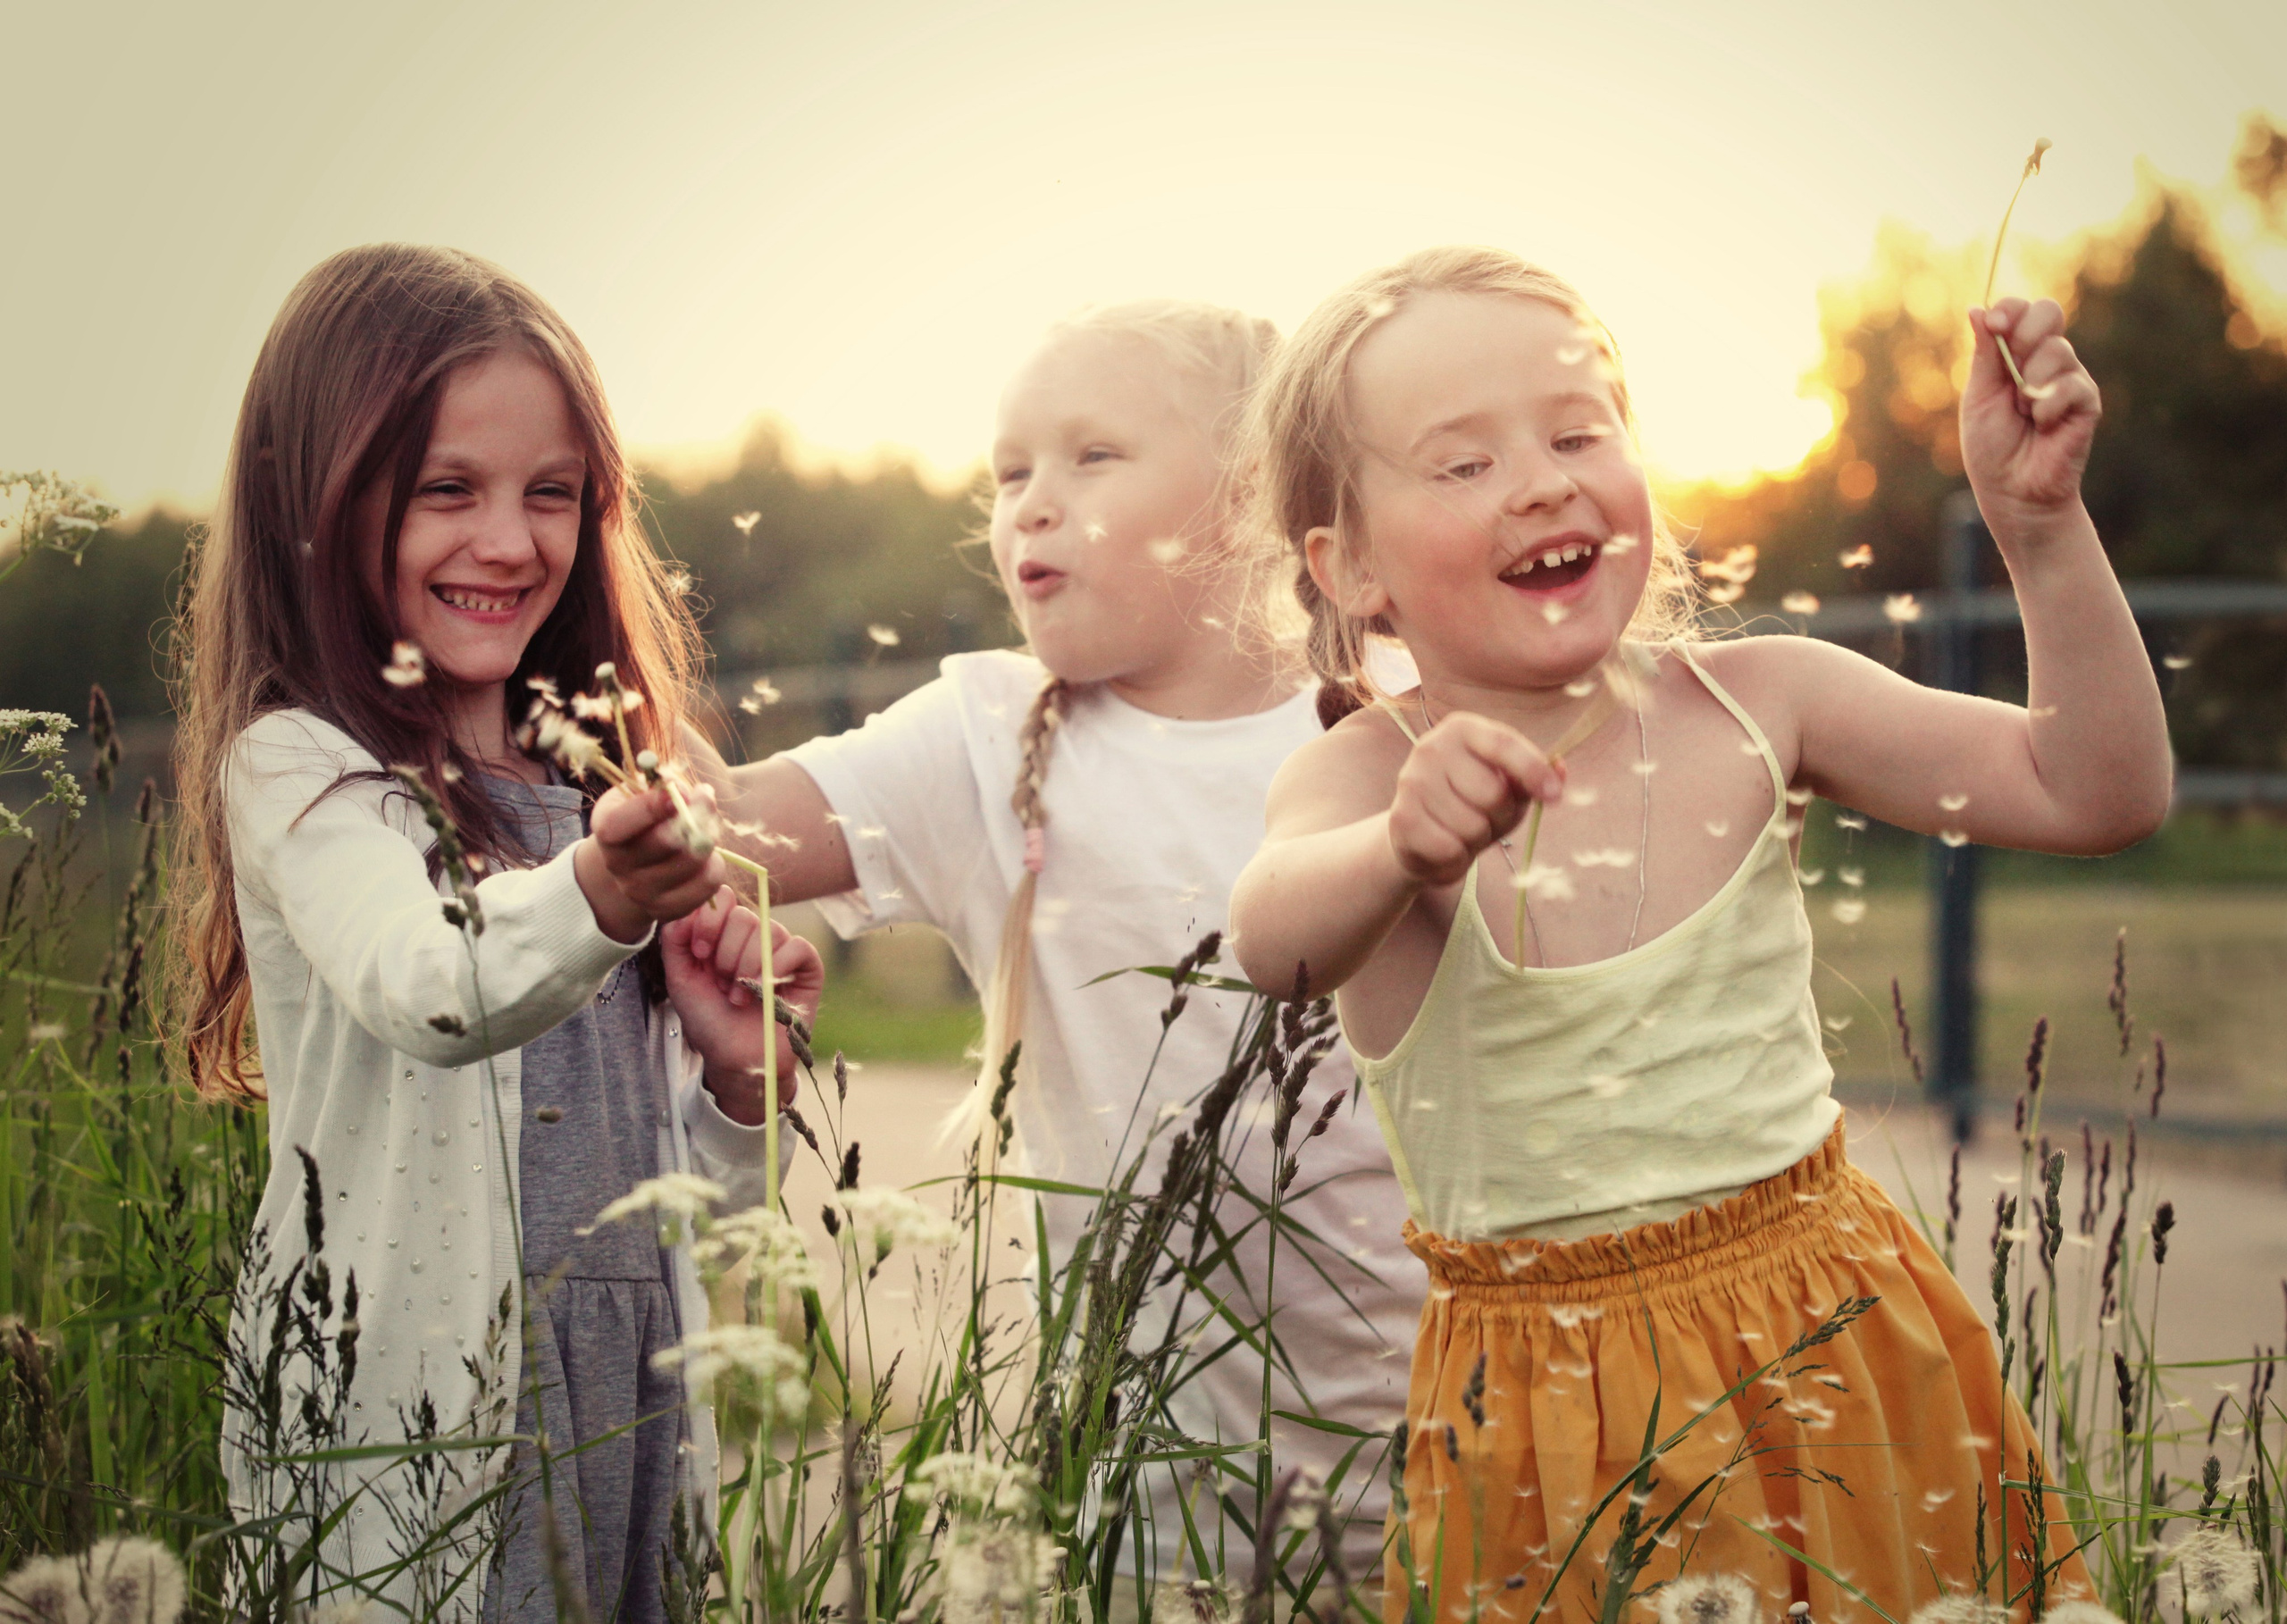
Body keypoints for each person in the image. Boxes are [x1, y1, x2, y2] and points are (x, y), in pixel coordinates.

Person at [1228, 246, 2169, 1619]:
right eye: (1464, 463)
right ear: (1350, 566)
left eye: (1576, 430)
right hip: (1558, 1424)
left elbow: (2097, 789)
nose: (1544, 480)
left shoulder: (1759, 703)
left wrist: (2040, 530)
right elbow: (1270, 940)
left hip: (1847, 1350)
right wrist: (1396, 848)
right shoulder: (1369, 780)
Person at [607, 301, 1423, 1570]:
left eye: (1093, 457)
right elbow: (721, 824)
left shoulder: (1405, 725)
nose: (1030, 503)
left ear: (1257, 490)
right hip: (1151, 1494)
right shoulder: (986, 738)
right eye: (1007, 474)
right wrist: (580, 649)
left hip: (1453, 1446)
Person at [166, 244, 820, 1621]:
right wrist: (598, 895)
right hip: (422, 1414)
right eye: (445, 490)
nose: (511, 540)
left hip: (628, 1387)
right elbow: (433, 983)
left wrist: (737, 1072)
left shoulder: (603, 774)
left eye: (554, 494)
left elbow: (686, 1210)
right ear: (317, 505)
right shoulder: (308, 771)